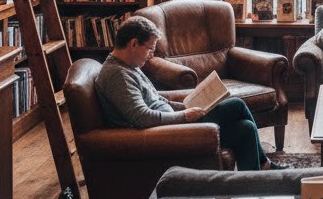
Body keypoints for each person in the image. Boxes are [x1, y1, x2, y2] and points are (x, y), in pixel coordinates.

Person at [94, 15, 287, 171]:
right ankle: (265, 166)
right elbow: (142, 118)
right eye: (150, 48)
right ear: (133, 44)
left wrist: (184, 106)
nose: (151, 54)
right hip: (166, 133)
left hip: (172, 123)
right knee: (236, 105)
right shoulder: (116, 75)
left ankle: (253, 184)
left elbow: (155, 99)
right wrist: (184, 116)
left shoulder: (129, 66)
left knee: (245, 129)